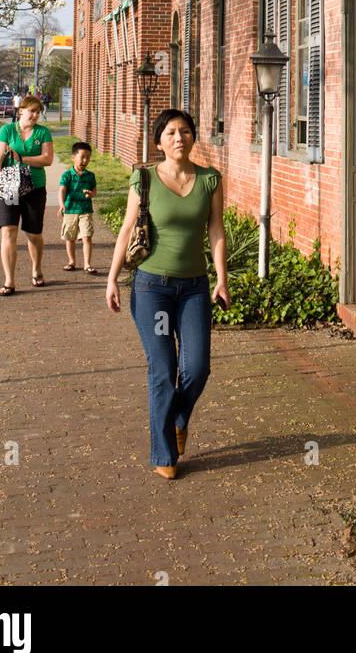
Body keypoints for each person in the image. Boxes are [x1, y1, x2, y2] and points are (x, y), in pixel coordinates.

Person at [105, 109, 229, 480]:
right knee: (163, 369)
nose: (179, 138)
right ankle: (164, 453)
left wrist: (221, 279)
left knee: (197, 367)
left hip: (194, 288)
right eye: (171, 132)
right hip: (152, 289)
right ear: (159, 141)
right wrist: (111, 279)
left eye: (186, 131)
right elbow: (128, 229)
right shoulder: (143, 178)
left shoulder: (210, 180)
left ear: (194, 138)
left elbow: (216, 230)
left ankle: (178, 418)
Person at [0, 94, 54, 294]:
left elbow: (47, 159)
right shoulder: (7, 130)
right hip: (10, 184)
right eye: (32, 111)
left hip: (35, 186)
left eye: (38, 112)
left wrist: (23, 158)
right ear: (21, 111)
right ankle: (9, 281)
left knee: (33, 233)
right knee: (8, 230)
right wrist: (0, 184)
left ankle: (36, 269)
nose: (35, 115)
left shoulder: (43, 133)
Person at [58, 141, 97, 272]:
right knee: (70, 237)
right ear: (73, 157)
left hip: (85, 210)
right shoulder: (67, 175)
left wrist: (91, 194)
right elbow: (62, 190)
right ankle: (71, 261)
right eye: (82, 157)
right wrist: (61, 204)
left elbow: (94, 190)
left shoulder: (90, 176)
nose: (85, 160)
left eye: (88, 157)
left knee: (87, 236)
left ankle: (87, 263)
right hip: (70, 210)